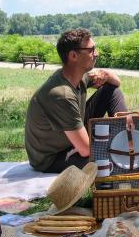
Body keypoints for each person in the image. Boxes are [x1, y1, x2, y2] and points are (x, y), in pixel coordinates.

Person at [25, 28, 128, 173]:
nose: (96, 53)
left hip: (69, 138)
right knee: (110, 159)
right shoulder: (61, 95)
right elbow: (86, 150)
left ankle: (128, 138)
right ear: (73, 55)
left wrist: (104, 75)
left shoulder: (77, 76)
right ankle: (125, 146)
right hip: (52, 157)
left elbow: (116, 82)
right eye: (91, 50)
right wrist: (115, 147)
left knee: (111, 90)